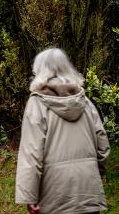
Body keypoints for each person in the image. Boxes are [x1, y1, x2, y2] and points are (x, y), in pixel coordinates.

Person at [16, 48, 110, 214]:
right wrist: (97, 172)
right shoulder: (85, 101)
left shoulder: (37, 103)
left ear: (39, 70)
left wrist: (29, 196)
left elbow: (31, 153)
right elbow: (102, 144)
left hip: (54, 195)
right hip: (87, 190)